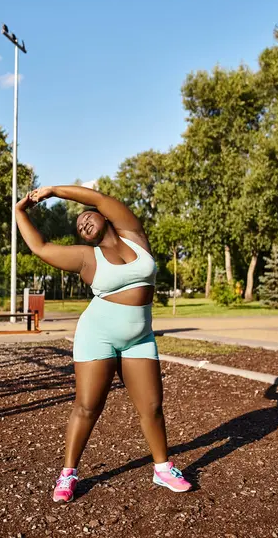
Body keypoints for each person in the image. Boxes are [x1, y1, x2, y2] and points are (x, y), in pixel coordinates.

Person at [15, 185, 191, 503]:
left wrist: (54, 191)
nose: (83, 223)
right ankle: (67, 474)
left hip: (140, 338)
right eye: (79, 227)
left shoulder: (133, 234)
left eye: (86, 216)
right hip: (98, 335)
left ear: (102, 216)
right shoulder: (86, 258)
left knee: (151, 407)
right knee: (87, 406)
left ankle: (163, 468)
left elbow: (96, 198)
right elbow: (40, 247)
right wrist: (19, 212)